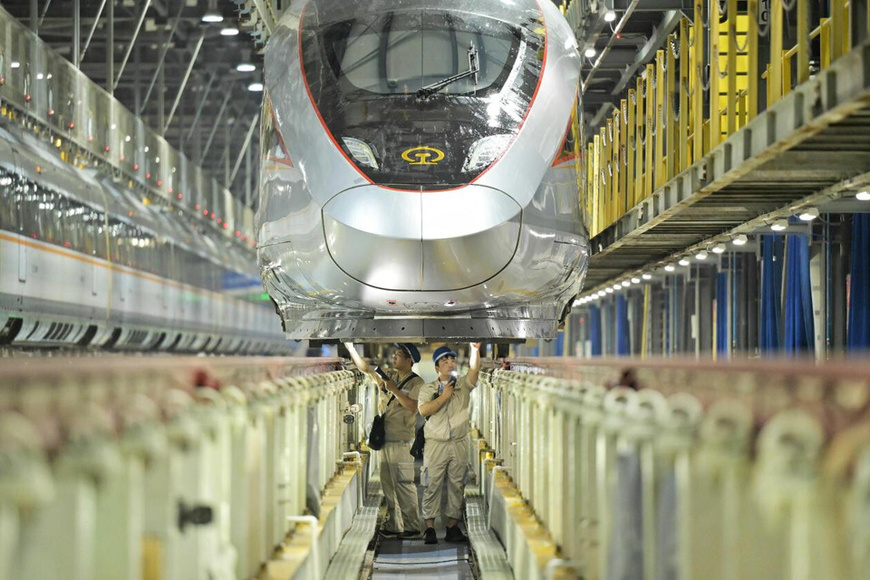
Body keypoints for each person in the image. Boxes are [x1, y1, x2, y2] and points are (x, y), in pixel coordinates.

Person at [343, 342, 424, 539]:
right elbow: (366, 368)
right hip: (386, 440)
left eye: (398, 355)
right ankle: (395, 525)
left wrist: (394, 390)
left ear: (409, 360)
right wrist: (351, 348)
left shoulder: (416, 383)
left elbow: (413, 407)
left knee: (404, 484)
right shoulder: (389, 376)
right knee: (388, 485)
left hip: (402, 441)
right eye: (394, 354)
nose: (394, 358)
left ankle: (413, 527)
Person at [417, 343, 481, 544]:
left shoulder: (463, 385)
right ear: (437, 367)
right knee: (431, 483)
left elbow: (474, 369)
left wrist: (475, 350)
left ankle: (452, 527)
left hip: (459, 442)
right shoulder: (428, 389)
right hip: (436, 443)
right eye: (444, 360)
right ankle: (429, 528)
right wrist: (444, 397)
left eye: (452, 359)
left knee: (457, 484)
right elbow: (423, 411)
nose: (449, 363)